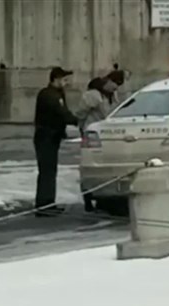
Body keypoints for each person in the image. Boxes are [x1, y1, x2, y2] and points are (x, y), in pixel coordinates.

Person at [33, 67, 78, 217]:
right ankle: (44, 205)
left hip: (52, 136)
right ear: (56, 79)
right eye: (64, 80)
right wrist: (77, 121)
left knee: (50, 171)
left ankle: (48, 203)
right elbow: (61, 112)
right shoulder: (49, 95)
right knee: (47, 171)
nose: (66, 83)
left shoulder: (56, 94)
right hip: (46, 136)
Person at [74, 77, 111, 212]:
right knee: (91, 167)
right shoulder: (93, 95)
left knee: (96, 167)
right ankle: (89, 200)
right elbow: (82, 112)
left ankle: (95, 198)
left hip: (97, 133)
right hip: (93, 133)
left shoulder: (104, 96)